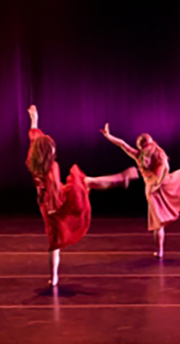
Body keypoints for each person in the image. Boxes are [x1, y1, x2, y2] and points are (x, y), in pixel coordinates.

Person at [26, 105, 138, 286]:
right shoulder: (51, 170)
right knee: (85, 182)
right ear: (48, 153)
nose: (55, 151)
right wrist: (59, 207)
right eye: (53, 150)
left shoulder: (34, 157)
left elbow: (34, 136)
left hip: (46, 203)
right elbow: (55, 195)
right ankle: (118, 178)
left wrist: (34, 118)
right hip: (55, 202)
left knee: (54, 244)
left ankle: (53, 277)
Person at [101, 123, 180, 258]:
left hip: (151, 190)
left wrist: (109, 136)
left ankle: (160, 251)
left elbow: (123, 144)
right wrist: (159, 182)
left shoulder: (139, 156)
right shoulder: (157, 152)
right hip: (164, 183)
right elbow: (166, 168)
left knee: (158, 224)